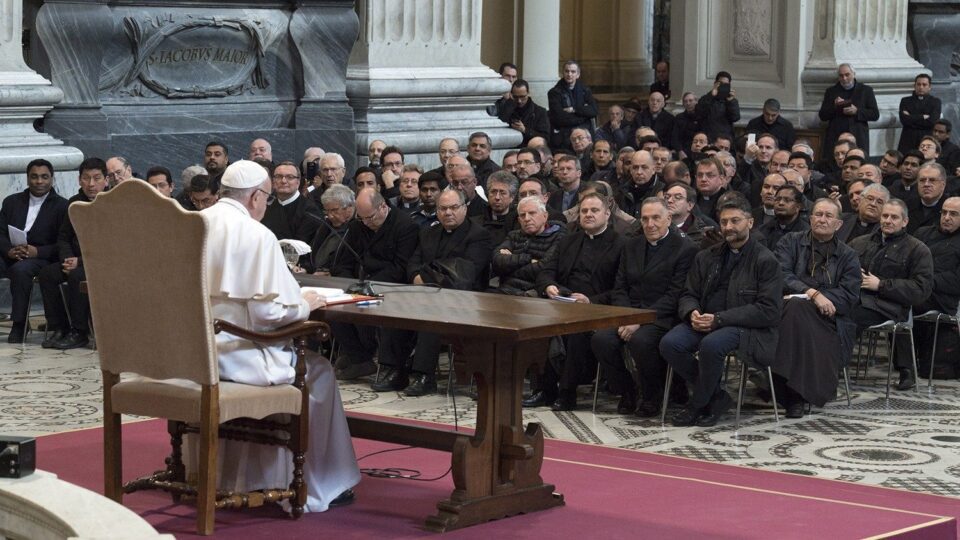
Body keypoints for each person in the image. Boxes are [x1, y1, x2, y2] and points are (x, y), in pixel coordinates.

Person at [203, 159, 359, 512]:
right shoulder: (255, 234)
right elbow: (269, 314)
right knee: (319, 372)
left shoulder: (193, 223)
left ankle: (227, 476)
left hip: (200, 356)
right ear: (256, 196)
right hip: (242, 358)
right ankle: (317, 482)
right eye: (267, 199)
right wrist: (304, 304)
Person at [660, 193, 783, 427]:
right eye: (724, 222)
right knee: (670, 343)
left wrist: (719, 319)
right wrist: (692, 312)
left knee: (711, 345)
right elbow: (688, 293)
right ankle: (716, 396)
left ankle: (697, 404)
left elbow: (768, 310)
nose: (728, 227)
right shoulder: (707, 255)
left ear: (750, 222)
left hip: (745, 327)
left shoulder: (766, 260)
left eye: (735, 221)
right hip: (706, 320)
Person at [375, 189, 492, 396]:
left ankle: (424, 376)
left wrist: (424, 278)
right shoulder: (428, 231)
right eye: (443, 208)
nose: (448, 213)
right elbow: (413, 262)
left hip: (464, 300)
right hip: (424, 294)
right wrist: (416, 277)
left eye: (454, 207)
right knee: (393, 309)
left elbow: (465, 272)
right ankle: (395, 370)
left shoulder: (478, 235)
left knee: (432, 315)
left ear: (464, 208)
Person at [591, 197, 697, 416]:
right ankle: (628, 391)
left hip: (662, 316)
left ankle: (652, 396)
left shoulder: (685, 249)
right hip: (629, 313)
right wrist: (629, 317)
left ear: (668, 218)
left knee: (641, 340)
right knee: (601, 339)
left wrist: (640, 320)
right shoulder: (632, 245)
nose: (650, 224)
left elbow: (675, 294)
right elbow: (620, 286)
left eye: (656, 218)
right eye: (645, 219)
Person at [533, 193, 624, 410]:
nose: (588, 215)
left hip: (598, 308)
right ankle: (543, 390)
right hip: (563, 302)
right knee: (537, 324)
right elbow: (545, 271)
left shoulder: (622, 244)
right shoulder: (568, 240)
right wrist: (548, 286)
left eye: (594, 211)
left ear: (607, 214)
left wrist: (590, 300)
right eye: (584, 211)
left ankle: (567, 392)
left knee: (575, 331)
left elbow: (621, 289)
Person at [771, 198, 860, 417]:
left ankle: (787, 391)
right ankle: (796, 395)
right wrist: (813, 294)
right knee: (795, 308)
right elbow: (780, 274)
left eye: (828, 216)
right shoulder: (789, 242)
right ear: (810, 219)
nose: (822, 219)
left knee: (799, 310)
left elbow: (849, 295)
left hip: (829, 318)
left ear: (838, 224)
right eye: (818, 214)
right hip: (786, 309)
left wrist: (819, 300)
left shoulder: (848, 255)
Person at [330, 188, 419, 380]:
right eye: (362, 218)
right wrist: (348, 284)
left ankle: (388, 365)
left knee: (374, 309)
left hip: (391, 287)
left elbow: (401, 268)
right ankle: (359, 359)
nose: (366, 223)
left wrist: (369, 286)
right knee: (333, 308)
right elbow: (343, 263)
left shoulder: (405, 226)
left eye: (370, 218)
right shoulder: (358, 226)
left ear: (383, 207)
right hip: (359, 285)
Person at [849, 199, 934, 390]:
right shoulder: (860, 242)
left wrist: (881, 285)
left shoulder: (918, 249)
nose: (888, 220)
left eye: (894, 217)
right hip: (858, 299)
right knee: (832, 310)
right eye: (885, 216)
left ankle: (835, 365)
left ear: (905, 222)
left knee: (848, 317)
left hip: (891, 306)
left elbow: (921, 289)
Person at [38, 158, 109, 350]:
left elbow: (111, 245)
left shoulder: (114, 205)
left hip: (104, 263)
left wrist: (79, 261)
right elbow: (63, 238)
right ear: (79, 181)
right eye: (86, 178)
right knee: (47, 274)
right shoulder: (74, 203)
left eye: (96, 178)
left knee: (78, 276)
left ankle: (80, 332)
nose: (91, 184)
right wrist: (68, 259)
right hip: (76, 260)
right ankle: (59, 327)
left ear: (106, 180)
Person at [0, 159, 69, 343]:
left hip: (43, 258)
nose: (39, 181)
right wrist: (8, 251)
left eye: (44, 177)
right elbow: (0, 233)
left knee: (20, 270)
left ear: (52, 179)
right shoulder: (12, 202)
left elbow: (62, 243)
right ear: (27, 178)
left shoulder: (63, 206)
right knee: (16, 266)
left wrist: (36, 252)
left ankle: (19, 323)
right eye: (34, 177)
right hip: (12, 253)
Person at [912, 196, 960, 376]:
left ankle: (906, 366)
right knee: (894, 300)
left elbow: (956, 281)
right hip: (916, 291)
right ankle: (905, 364)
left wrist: (925, 281)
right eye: (944, 212)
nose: (947, 217)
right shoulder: (923, 233)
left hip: (942, 300)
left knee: (899, 300)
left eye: (953, 214)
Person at [492, 196, 566, 296]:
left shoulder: (558, 236)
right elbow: (497, 261)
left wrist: (508, 267)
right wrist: (528, 259)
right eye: (522, 215)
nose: (526, 219)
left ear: (545, 216)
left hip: (536, 293)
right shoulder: (513, 235)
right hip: (505, 290)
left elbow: (545, 269)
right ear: (519, 220)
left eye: (532, 213)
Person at [818, 64, 879, 155]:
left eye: (847, 75)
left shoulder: (866, 90)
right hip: (836, 135)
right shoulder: (831, 91)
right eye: (841, 76)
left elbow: (875, 114)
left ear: (853, 74)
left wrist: (857, 111)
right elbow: (822, 116)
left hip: (858, 135)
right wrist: (835, 107)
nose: (844, 78)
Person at [260, 161, 322, 245]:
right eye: (278, 176)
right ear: (273, 181)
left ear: (298, 182)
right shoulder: (265, 207)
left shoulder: (310, 211)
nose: (283, 181)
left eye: (290, 177)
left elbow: (300, 247)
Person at [547, 60, 598, 150]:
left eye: (573, 72)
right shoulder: (554, 92)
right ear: (563, 73)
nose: (569, 74)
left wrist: (574, 110)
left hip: (585, 130)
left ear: (578, 74)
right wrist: (584, 115)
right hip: (565, 133)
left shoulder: (585, 90)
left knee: (588, 143)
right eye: (567, 71)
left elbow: (594, 110)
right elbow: (559, 118)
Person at [309, 184, 355, 274]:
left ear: (350, 207)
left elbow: (350, 265)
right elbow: (311, 252)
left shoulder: (357, 229)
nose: (330, 216)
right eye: (327, 211)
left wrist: (331, 274)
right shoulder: (326, 225)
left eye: (334, 210)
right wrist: (306, 268)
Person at [498, 79, 550, 147]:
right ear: (511, 95)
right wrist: (509, 104)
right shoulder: (506, 108)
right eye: (515, 97)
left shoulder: (540, 112)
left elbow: (545, 137)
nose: (519, 101)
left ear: (528, 93)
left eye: (522, 97)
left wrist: (525, 130)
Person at [898, 74, 941, 154]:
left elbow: (932, 122)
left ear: (929, 86)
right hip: (907, 139)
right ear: (914, 86)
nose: (921, 87)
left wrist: (911, 117)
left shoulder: (935, 102)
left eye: (924, 85)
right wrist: (922, 117)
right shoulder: (905, 101)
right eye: (918, 84)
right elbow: (904, 120)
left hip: (925, 138)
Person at [759, 186, 810, 251]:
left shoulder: (806, 233)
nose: (781, 203)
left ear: (798, 207)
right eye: (777, 199)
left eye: (787, 200)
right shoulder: (764, 230)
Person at [695, 71, 740, 141]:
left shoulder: (731, 101)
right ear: (715, 83)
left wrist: (730, 101)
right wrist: (711, 95)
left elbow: (735, 117)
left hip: (724, 139)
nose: (723, 86)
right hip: (708, 138)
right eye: (721, 83)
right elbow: (698, 113)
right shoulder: (706, 98)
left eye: (726, 84)